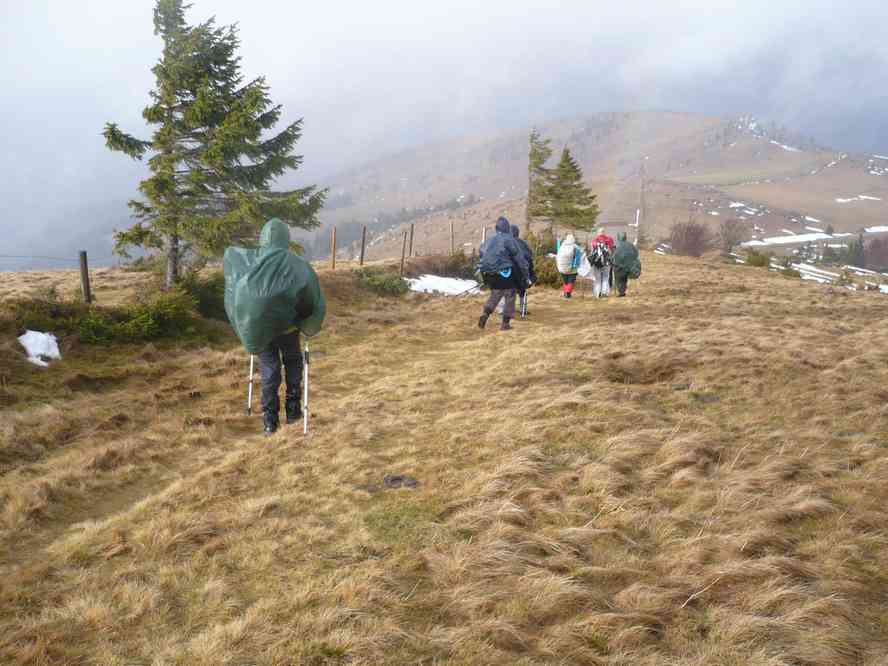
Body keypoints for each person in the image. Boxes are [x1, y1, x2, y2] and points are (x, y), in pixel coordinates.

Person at [225, 217, 326, 436]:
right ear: (286, 239)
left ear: (263, 238)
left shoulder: (251, 261)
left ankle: (270, 421)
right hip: (288, 328)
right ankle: (293, 410)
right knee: (293, 362)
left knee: (270, 371)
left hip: (260, 329)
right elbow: (310, 296)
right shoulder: (297, 264)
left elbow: (234, 282)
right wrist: (304, 318)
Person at [477, 217, 530, 330]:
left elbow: (481, 253)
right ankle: (505, 324)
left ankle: (485, 314)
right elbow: (519, 258)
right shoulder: (509, 239)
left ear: (497, 228)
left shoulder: (489, 240)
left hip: (490, 273)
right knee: (510, 295)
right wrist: (525, 274)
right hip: (505, 272)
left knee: (495, 294)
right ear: (507, 228)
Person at [511, 224, 536, 316]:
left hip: (508, 275)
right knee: (522, 290)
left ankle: (504, 309)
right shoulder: (523, 244)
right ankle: (523, 309)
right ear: (517, 233)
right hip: (523, 276)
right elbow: (529, 258)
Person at [612, 231, 642, 297]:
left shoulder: (616, 245)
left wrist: (612, 263)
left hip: (619, 267)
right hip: (630, 267)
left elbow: (613, 256)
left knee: (619, 278)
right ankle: (622, 290)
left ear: (618, 237)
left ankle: (621, 291)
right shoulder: (631, 245)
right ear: (625, 237)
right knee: (624, 278)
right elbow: (636, 254)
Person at [589, 227, 615, 298]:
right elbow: (612, 251)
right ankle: (604, 293)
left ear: (598, 233)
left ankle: (597, 294)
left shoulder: (594, 241)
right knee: (606, 278)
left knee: (597, 279)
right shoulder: (610, 240)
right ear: (604, 233)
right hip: (607, 263)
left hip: (597, 263)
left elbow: (592, 253)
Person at [556, 233, 583, 298]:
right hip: (572, 268)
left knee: (566, 281)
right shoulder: (576, 247)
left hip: (562, 267)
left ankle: (565, 292)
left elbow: (558, 250)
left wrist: (558, 241)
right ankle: (568, 293)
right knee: (571, 281)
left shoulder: (563, 245)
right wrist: (577, 265)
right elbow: (578, 257)